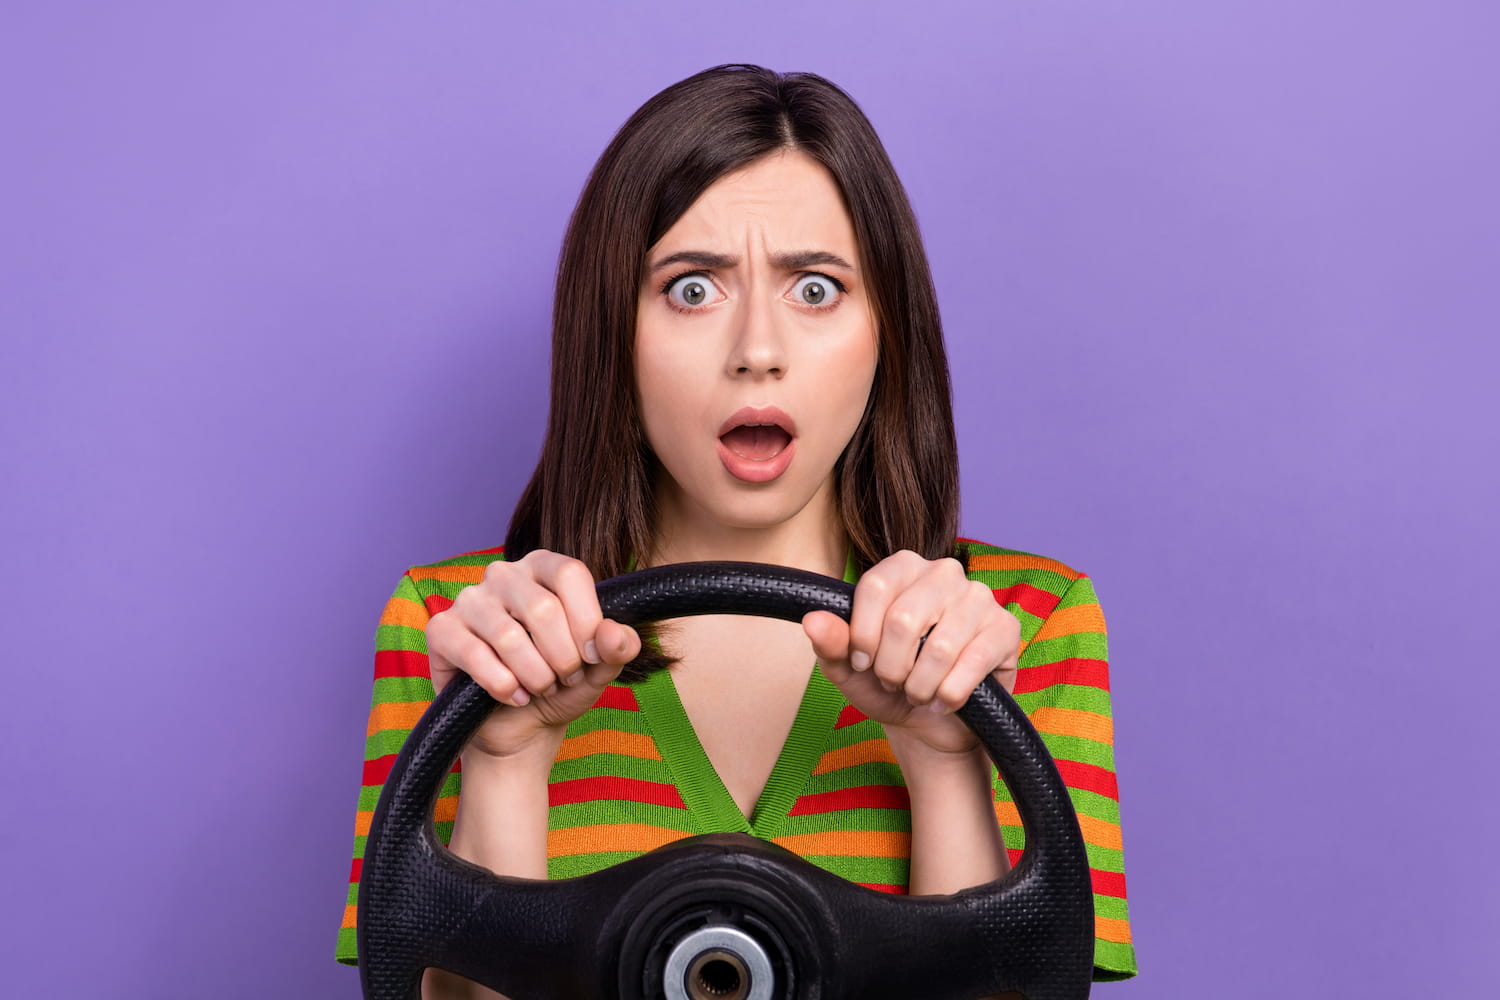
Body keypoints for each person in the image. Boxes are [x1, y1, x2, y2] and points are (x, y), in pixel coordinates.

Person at [337, 64, 1137, 996]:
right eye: (691, 290)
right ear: (612, 331)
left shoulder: (1029, 624)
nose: (758, 350)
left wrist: (947, 759)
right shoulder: (460, 627)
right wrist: (502, 762)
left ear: (887, 330)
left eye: (816, 290)